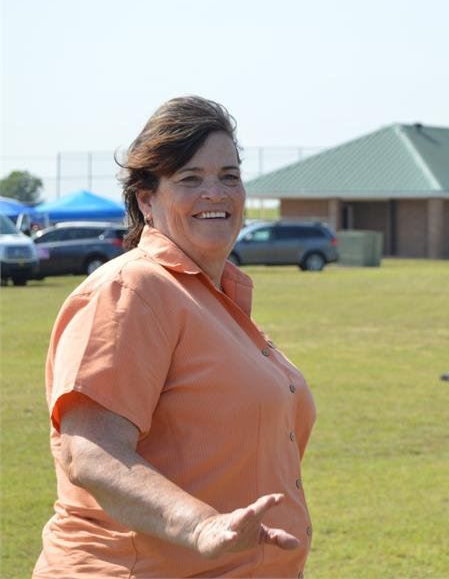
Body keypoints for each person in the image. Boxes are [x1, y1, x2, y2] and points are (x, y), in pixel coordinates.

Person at [34, 97, 316, 577]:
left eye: (229, 175)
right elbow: (93, 453)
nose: (216, 193)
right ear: (147, 199)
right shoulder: (131, 289)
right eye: (190, 178)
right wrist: (202, 526)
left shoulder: (211, 297)